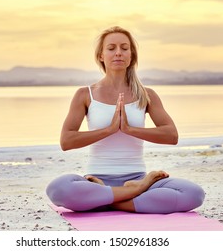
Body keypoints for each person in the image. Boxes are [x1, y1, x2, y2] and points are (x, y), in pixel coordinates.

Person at [46, 26, 205, 213]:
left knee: (194, 194)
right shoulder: (85, 94)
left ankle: (108, 199)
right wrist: (109, 130)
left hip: (136, 177)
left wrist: (129, 129)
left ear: (131, 56)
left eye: (124, 48)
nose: (118, 53)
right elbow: (66, 141)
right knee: (58, 189)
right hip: (97, 180)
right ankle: (131, 195)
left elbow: (171, 135)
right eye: (111, 48)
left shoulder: (146, 95)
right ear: (101, 56)